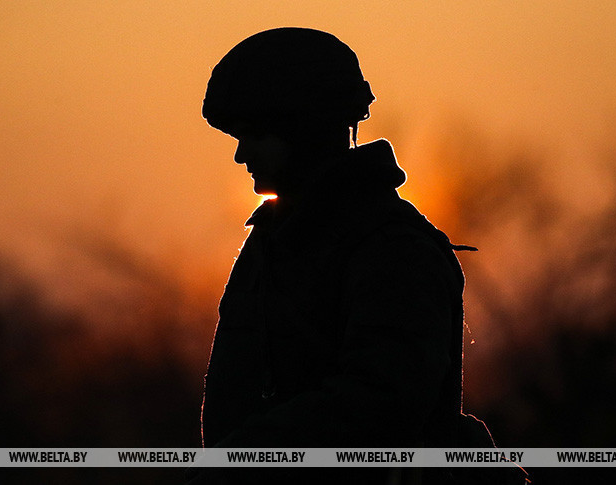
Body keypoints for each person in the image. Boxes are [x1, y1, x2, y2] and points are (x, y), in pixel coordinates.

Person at [195, 28, 522, 484]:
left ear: (306, 128)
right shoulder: (271, 239)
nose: (240, 154)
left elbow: (379, 405)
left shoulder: (394, 249)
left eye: (257, 134)